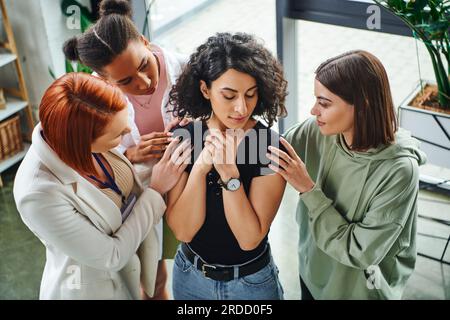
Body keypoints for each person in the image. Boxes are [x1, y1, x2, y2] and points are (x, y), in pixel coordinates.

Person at [13, 72, 191, 300]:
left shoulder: (72, 125)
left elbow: (122, 189)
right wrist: (156, 191)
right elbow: (112, 256)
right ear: (81, 143)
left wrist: (172, 138)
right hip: (97, 288)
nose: (129, 130)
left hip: (137, 261)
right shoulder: (38, 194)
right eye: (119, 134)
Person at [267, 50, 426, 299]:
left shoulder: (400, 171)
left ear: (362, 106)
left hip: (360, 292)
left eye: (325, 103)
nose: (313, 111)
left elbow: (360, 251)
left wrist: (308, 190)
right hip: (312, 274)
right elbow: (264, 152)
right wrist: (200, 130)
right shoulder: (318, 130)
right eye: (316, 100)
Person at [62, 0, 188, 299]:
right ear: (104, 80)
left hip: (190, 183)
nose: (144, 82)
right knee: (152, 279)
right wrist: (129, 154)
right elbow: (88, 155)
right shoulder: (93, 98)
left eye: (144, 64)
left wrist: (199, 124)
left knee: (196, 261)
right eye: (125, 81)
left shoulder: (187, 70)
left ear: (145, 42)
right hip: (140, 194)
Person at [166, 32, 288, 300]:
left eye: (251, 94)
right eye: (229, 95)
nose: (241, 108)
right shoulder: (185, 136)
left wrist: (228, 172)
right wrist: (200, 168)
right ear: (205, 89)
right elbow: (184, 230)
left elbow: (248, 238)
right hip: (190, 278)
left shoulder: (270, 147)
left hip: (250, 285)